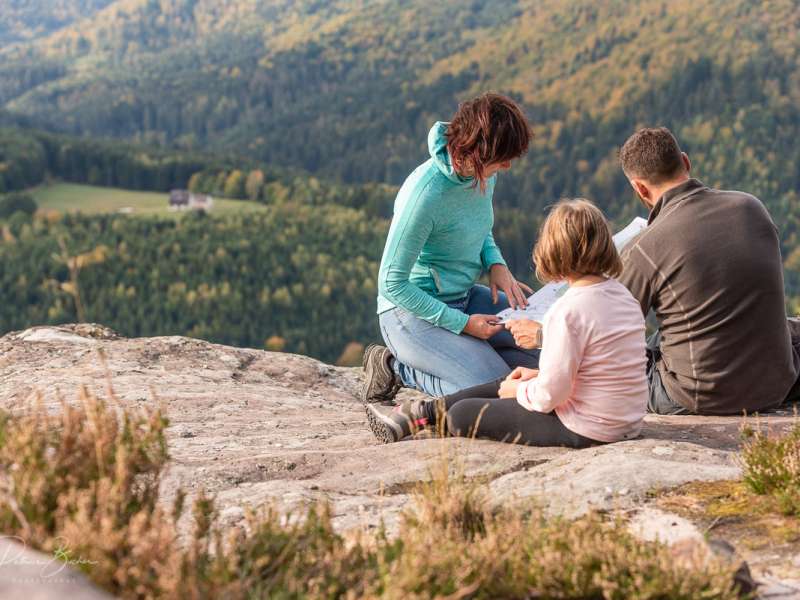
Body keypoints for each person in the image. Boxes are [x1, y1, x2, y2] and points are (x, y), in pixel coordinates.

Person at [366, 199, 648, 447]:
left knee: (463, 414)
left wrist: (521, 392)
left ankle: (423, 419)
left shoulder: (568, 311)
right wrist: (532, 379)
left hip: (587, 426)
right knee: (510, 378)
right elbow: (600, 365)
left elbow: (550, 396)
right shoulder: (623, 296)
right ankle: (420, 411)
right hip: (624, 420)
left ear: (556, 253)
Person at [361, 93, 539, 404]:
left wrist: (496, 263)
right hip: (412, 315)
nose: (508, 165)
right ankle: (394, 367)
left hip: (464, 297)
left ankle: (473, 361)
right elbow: (390, 283)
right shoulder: (425, 196)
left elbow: (478, 226)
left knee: (546, 353)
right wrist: (463, 325)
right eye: (502, 158)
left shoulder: (482, 174)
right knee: (498, 394)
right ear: (477, 152)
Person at [617, 127, 800, 415]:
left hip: (698, 395)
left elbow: (611, 332)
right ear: (686, 162)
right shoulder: (752, 207)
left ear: (639, 188)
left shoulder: (644, 248)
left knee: (630, 359)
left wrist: (544, 337)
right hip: (779, 384)